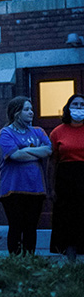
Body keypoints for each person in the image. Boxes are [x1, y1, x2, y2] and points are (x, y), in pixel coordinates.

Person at [0, 96, 51, 255]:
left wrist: (24, 150)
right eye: (27, 109)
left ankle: (29, 261)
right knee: (16, 225)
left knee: (31, 226)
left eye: (31, 109)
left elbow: (48, 150)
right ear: (16, 113)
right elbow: (14, 155)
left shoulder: (38, 131)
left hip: (35, 188)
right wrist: (36, 152)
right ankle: (15, 262)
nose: (31, 113)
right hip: (12, 189)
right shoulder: (5, 133)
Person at [49, 94, 84, 261]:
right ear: (68, 107)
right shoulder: (57, 132)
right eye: (75, 104)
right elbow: (53, 161)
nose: (79, 107)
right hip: (65, 181)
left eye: (82, 104)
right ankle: (70, 262)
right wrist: (51, 187)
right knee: (68, 221)